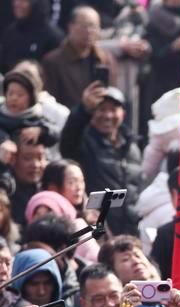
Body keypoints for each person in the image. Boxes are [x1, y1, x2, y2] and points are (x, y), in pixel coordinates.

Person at [59, 84, 141, 235]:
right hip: (96, 230)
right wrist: (83, 110)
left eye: (113, 109)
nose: (108, 115)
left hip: (129, 232)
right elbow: (69, 139)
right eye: (101, 109)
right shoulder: (83, 144)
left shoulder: (132, 148)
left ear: (123, 114)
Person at [41, 6, 116, 110]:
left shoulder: (105, 58)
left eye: (93, 26)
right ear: (70, 27)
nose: (89, 31)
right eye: (84, 26)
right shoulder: (53, 61)